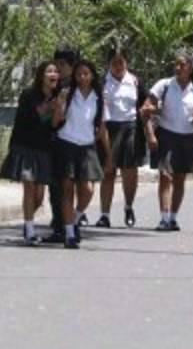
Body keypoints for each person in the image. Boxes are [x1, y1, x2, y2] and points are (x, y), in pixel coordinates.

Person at [143, 49, 193, 232]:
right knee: (165, 176)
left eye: (182, 64)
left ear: (191, 67)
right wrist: (150, 134)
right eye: (176, 64)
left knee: (180, 178)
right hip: (167, 135)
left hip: (188, 137)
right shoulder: (163, 85)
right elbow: (146, 108)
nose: (178, 68)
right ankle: (163, 218)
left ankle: (173, 218)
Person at [0, 61, 62, 245]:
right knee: (29, 187)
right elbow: (36, 117)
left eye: (56, 71)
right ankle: (30, 231)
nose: (54, 74)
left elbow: (55, 124)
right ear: (41, 75)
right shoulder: (29, 95)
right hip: (25, 146)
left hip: (44, 148)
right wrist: (51, 106)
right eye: (50, 71)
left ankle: (27, 224)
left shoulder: (58, 96)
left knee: (39, 197)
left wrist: (59, 108)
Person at [51, 58, 109, 249]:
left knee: (88, 190)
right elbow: (55, 122)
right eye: (78, 74)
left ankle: (75, 219)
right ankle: (69, 233)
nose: (82, 77)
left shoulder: (99, 97)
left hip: (87, 146)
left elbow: (101, 127)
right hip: (67, 142)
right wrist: (59, 106)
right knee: (67, 188)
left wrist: (108, 154)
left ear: (92, 76)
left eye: (86, 74)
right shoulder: (68, 94)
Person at [96, 48, 145, 229]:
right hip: (108, 128)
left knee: (129, 172)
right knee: (108, 172)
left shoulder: (135, 81)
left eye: (121, 62)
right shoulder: (102, 83)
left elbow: (146, 101)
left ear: (127, 63)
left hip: (130, 128)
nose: (118, 66)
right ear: (108, 64)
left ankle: (128, 206)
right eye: (114, 63)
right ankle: (104, 215)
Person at [44, 45, 79, 243]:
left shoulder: (77, 87)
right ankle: (60, 225)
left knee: (69, 187)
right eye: (56, 64)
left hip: (72, 142)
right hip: (54, 141)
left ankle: (70, 224)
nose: (57, 69)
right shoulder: (54, 86)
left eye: (62, 65)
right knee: (56, 187)